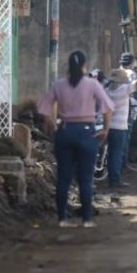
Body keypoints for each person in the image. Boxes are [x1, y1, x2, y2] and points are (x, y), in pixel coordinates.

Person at [38, 51, 114, 228]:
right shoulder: (92, 85)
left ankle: (62, 219)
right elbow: (107, 108)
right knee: (86, 179)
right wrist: (105, 129)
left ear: (69, 65)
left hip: (65, 131)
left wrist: (54, 127)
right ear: (84, 65)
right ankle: (87, 219)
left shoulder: (59, 85)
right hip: (87, 132)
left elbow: (43, 109)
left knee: (63, 178)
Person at [104, 54, 137, 190]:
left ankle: (112, 177)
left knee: (110, 154)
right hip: (119, 127)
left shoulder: (107, 91)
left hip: (107, 126)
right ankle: (115, 180)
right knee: (116, 154)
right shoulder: (123, 91)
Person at [119, 52, 137, 174]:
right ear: (132, 63)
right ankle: (124, 164)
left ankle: (119, 163)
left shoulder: (116, 72)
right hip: (128, 108)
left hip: (117, 108)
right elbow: (133, 89)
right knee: (126, 136)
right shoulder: (131, 74)